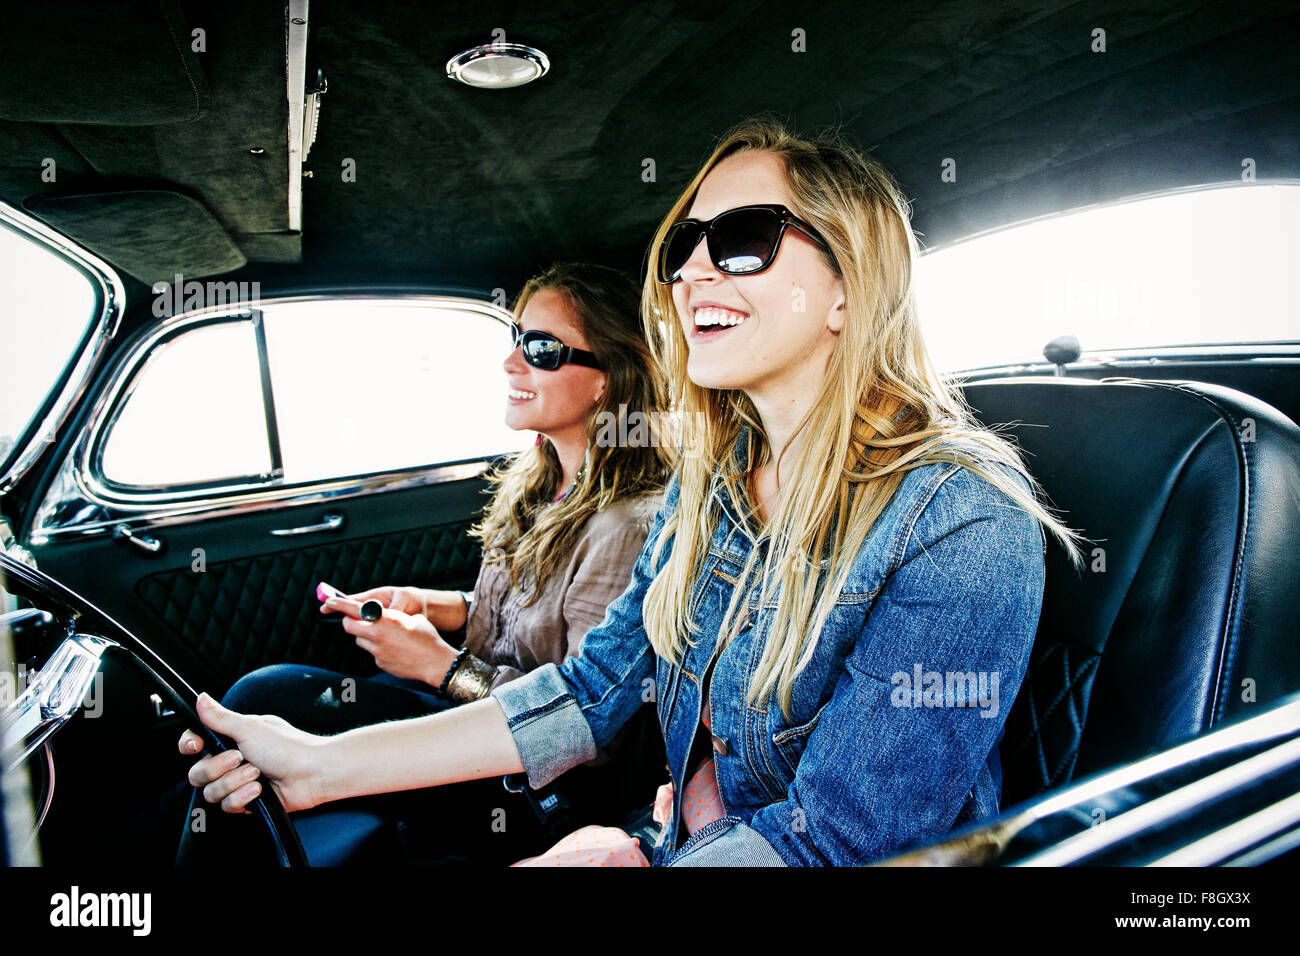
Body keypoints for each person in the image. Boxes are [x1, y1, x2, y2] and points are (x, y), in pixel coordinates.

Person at [180, 117, 1084, 866]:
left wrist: (651, 859)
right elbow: (588, 691)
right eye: (686, 245)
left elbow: (841, 844)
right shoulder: (711, 489)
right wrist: (320, 764)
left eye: (740, 242)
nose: (691, 273)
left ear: (848, 286)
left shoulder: (963, 522)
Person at [177, 261, 673, 865]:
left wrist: (441, 667)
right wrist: (428, 605)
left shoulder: (628, 525)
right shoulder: (542, 483)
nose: (511, 363)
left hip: (534, 784)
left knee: (263, 696)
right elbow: (515, 618)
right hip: (469, 716)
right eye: (515, 339)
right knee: (253, 712)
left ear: (607, 380)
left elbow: (596, 732)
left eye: (541, 350)